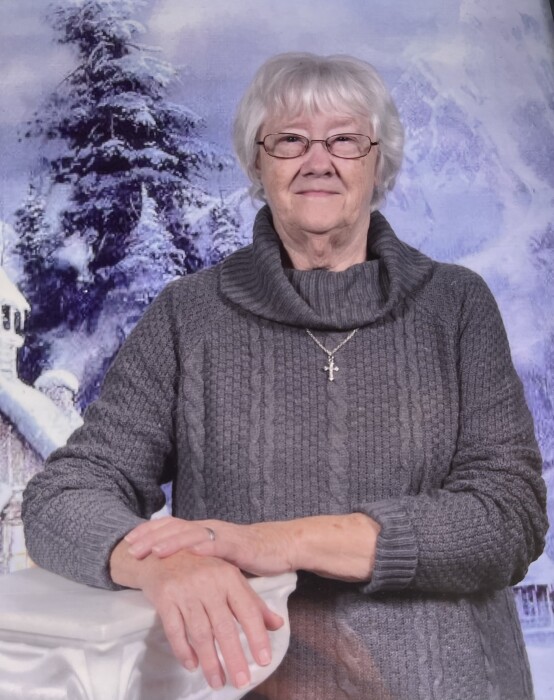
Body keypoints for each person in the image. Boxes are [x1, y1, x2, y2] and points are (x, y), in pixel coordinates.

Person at [23, 52, 548, 699]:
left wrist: (272, 542)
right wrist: (161, 563)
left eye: (345, 140)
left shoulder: (457, 306)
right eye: (291, 140)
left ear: (378, 162)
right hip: (253, 684)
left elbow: (508, 518)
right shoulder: (189, 315)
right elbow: (64, 494)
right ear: (257, 162)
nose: (317, 160)